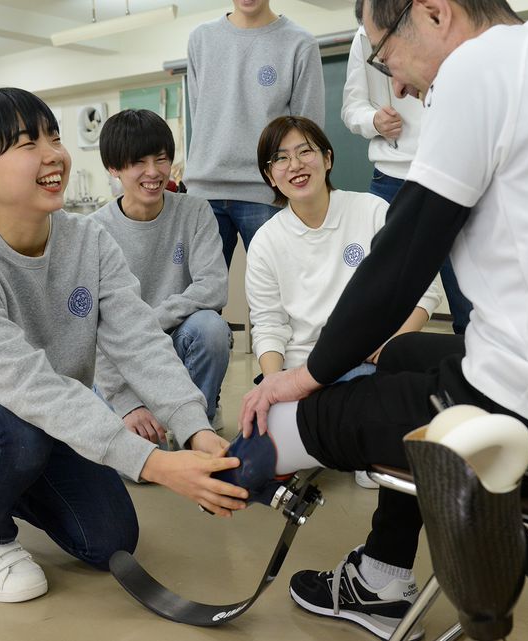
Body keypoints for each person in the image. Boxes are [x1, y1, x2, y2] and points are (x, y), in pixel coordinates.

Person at [232, 1, 528, 638]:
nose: (395, 84)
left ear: (434, 13)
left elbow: (400, 266)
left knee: (315, 416)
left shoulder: (478, 70)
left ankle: (241, 465)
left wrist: (304, 379)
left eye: (384, 55)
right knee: (398, 358)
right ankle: (382, 575)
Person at [0, 88, 247, 605]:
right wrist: (155, 464)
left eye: (54, 137)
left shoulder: (88, 240)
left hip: (44, 425)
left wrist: (195, 429)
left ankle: (2, 486)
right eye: (27, 144)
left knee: (111, 540)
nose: (53, 155)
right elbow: (28, 386)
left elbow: (140, 342)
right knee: (14, 424)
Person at [247, 115, 442, 489]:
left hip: (366, 364)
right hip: (301, 374)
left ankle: (347, 440)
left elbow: (426, 288)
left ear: (328, 158)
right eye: (281, 158)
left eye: (305, 152)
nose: (295, 165)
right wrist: (273, 385)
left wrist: (392, 343)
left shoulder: (371, 211)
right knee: (255, 458)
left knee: (375, 456)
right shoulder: (266, 242)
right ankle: (333, 434)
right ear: (270, 175)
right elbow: (269, 324)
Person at [92, 109, 231, 441]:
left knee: (211, 328)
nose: (153, 172)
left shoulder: (195, 210)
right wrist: (126, 403)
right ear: (113, 167)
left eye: (161, 159)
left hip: (175, 339)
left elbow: (214, 287)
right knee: (137, 461)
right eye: (138, 162)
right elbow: (88, 330)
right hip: (121, 356)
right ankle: (145, 414)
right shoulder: (94, 230)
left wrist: (147, 322)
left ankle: (196, 423)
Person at [342, 0, 473, 335]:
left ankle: (473, 350)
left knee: (464, 287)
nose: (399, 86)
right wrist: (373, 120)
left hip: (448, 168)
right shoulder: (365, 36)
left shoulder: (445, 23)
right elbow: (351, 107)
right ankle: (376, 349)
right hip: (391, 177)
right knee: (384, 283)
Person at [185, 0, 326, 268]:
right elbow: (199, 113)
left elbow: (309, 131)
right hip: (204, 192)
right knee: (201, 291)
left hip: (267, 191)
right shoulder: (200, 39)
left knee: (279, 286)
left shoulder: (300, 43)